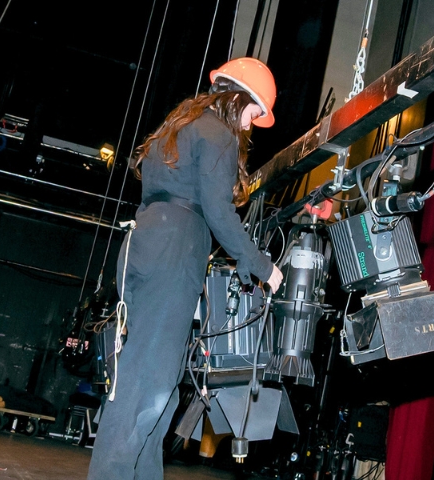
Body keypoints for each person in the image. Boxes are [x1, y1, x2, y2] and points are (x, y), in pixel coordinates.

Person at [87, 57, 285, 480]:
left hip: (145, 241)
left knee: (160, 382)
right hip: (175, 250)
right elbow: (218, 211)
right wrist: (262, 266)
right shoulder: (218, 133)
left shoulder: (176, 128)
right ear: (240, 98)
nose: (250, 126)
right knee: (146, 387)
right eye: (253, 113)